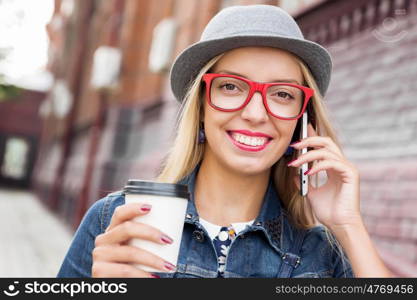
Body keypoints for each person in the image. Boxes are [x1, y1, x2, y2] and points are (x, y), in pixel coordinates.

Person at [57, 4, 392, 278]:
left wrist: (348, 225)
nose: (256, 113)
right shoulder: (116, 220)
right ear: (201, 106)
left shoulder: (320, 254)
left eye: (282, 94)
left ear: (302, 121)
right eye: (231, 86)